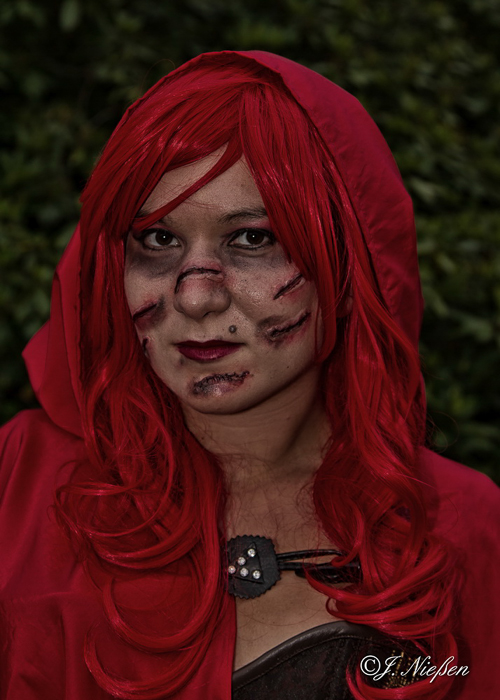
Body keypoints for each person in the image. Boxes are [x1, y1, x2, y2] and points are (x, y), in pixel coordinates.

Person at [0, 50, 498, 700]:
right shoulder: (19, 482)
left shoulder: (466, 527)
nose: (196, 297)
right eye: (158, 240)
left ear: (350, 269)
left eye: (252, 239)